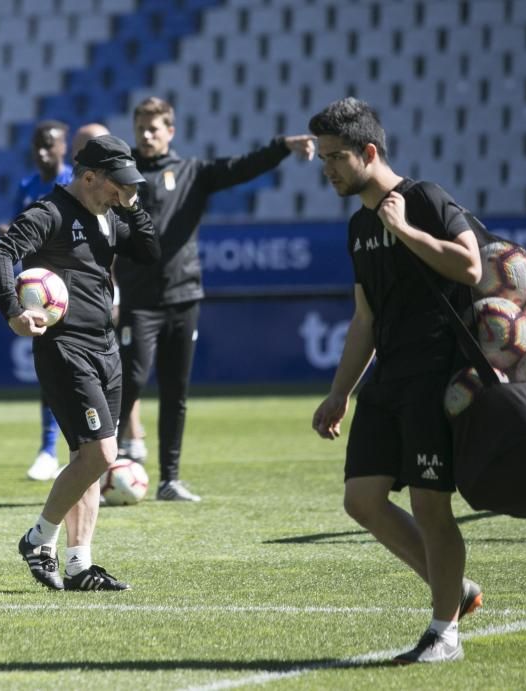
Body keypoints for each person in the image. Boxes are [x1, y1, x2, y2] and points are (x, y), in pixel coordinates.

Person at [308, 98, 483, 664]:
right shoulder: (359, 227)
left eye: (336, 157)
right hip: (388, 378)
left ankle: (444, 632)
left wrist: (405, 229)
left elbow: (470, 266)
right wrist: (341, 391)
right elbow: (366, 320)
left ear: (370, 152)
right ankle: (454, 588)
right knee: (362, 501)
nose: (328, 168)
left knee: (433, 507)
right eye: (323, 159)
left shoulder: (426, 199)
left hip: (437, 375)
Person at [113, 96, 316, 501]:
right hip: (139, 299)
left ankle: (170, 478)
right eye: (141, 128)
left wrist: (281, 147)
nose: (147, 135)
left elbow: (240, 168)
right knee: (130, 380)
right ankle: (109, 463)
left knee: (176, 389)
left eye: (155, 128)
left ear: (171, 131)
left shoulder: (193, 172)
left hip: (184, 296)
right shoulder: (121, 175)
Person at [0, 134, 160, 590]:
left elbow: (150, 251)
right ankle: (38, 537)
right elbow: (0, 253)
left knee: (91, 459)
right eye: (116, 183)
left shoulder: (110, 215)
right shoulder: (52, 213)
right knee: (101, 453)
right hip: (66, 349)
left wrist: (132, 205)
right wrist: (13, 310)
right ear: (88, 177)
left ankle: (80, 565)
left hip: (105, 348)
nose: (122, 191)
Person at [11, 121, 118, 482]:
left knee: (107, 378)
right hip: (47, 299)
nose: (43, 152)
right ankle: (48, 448)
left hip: (88, 304)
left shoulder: (79, 186)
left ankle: (123, 446)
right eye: (37, 146)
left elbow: (103, 246)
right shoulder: (26, 187)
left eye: (50, 146)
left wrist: (113, 291)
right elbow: (16, 235)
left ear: (64, 150)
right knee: (58, 378)